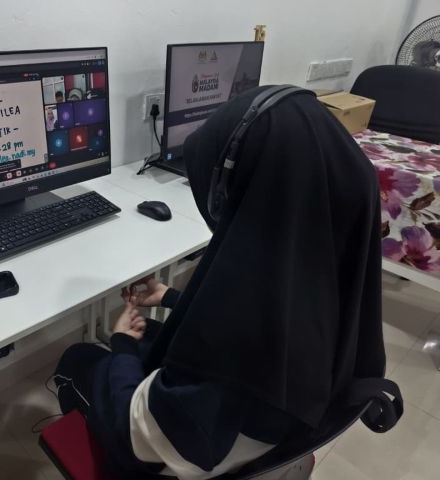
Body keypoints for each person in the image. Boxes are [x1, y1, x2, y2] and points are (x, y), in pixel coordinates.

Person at [53, 86, 401, 479]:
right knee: (150, 334)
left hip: (181, 449)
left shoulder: (223, 376)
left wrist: (120, 346)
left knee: (79, 360)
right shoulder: (328, 273)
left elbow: (138, 435)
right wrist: (172, 298)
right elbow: (260, 326)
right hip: (271, 421)